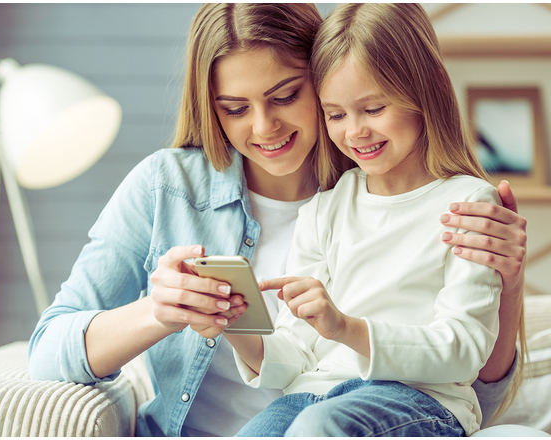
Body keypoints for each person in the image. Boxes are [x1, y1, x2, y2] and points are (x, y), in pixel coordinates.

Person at [27, 4, 526, 437]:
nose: (264, 128)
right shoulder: (171, 188)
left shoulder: (386, 180)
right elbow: (49, 352)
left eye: (286, 95)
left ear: (325, 73)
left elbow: (465, 394)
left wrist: (510, 284)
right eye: (235, 108)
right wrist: (164, 312)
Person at [220, 3, 526, 437]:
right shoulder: (324, 211)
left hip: (420, 400)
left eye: (373, 108)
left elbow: (464, 348)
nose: (355, 131)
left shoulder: (469, 203)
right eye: (336, 114)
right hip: (313, 394)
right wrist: (235, 326)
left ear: (422, 93)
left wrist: (347, 328)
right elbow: (297, 358)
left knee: (318, 426)